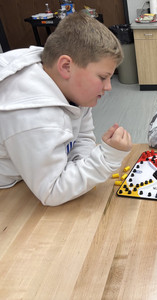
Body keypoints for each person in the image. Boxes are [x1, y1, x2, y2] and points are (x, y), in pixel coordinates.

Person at [0, 12, 133, 206]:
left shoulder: (72, 89)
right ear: (66, 66)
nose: (108, 87)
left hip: (29, 177)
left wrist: (84, 163)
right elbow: (51, 192)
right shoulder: (32, 118)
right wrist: (106, 158)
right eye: (102, 77)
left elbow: (83, 136)